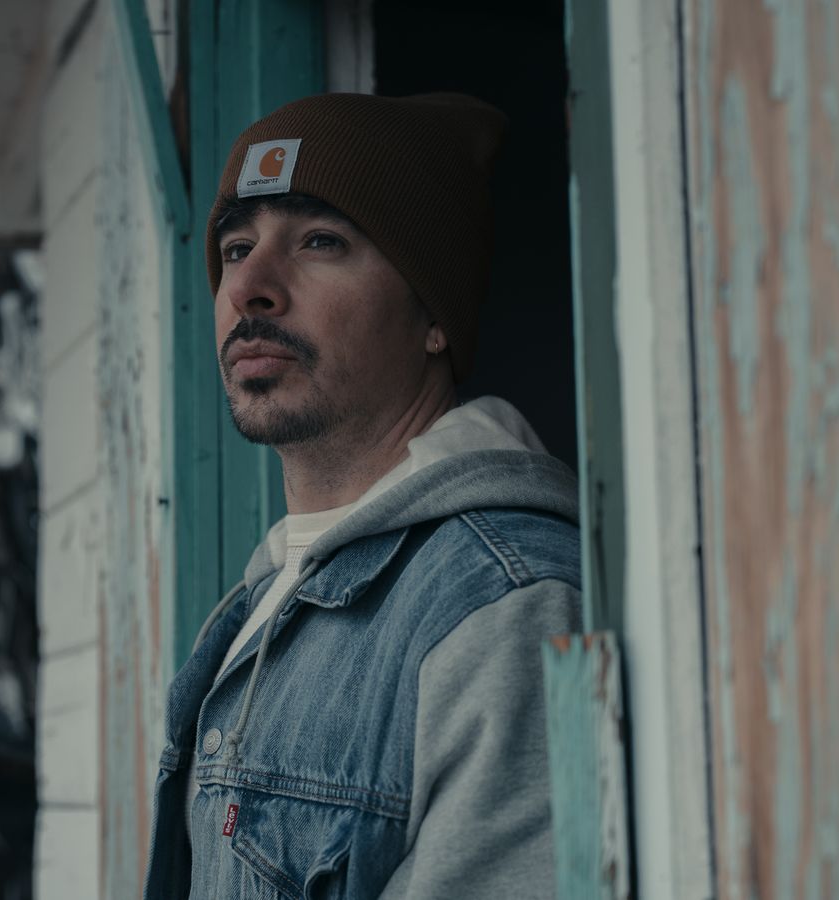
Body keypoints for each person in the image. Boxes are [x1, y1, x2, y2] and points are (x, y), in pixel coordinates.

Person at [142, 92, 581, 899]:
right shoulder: (265, 600)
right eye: (236, 248)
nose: (250, 288)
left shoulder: (506, 608)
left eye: (320, 241)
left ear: (433, 314)